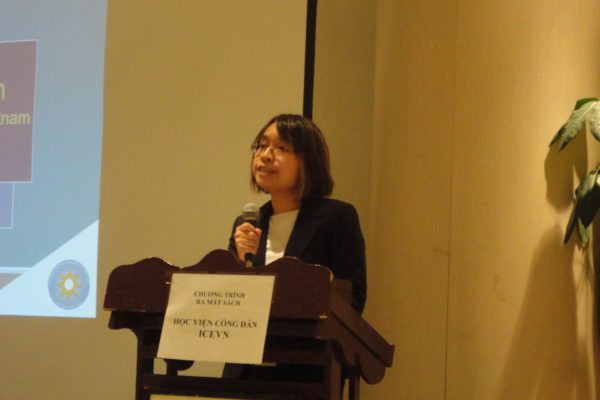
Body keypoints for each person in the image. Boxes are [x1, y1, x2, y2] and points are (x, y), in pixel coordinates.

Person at [228, 114, 367, 314]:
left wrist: (318, 282)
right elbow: (232, 304)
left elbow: (353, 300)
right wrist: (241, 263)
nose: (265, 155)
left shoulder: (337, 218)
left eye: (282, 148)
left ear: (308, 161)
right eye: (261, 145)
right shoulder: (247, 224)